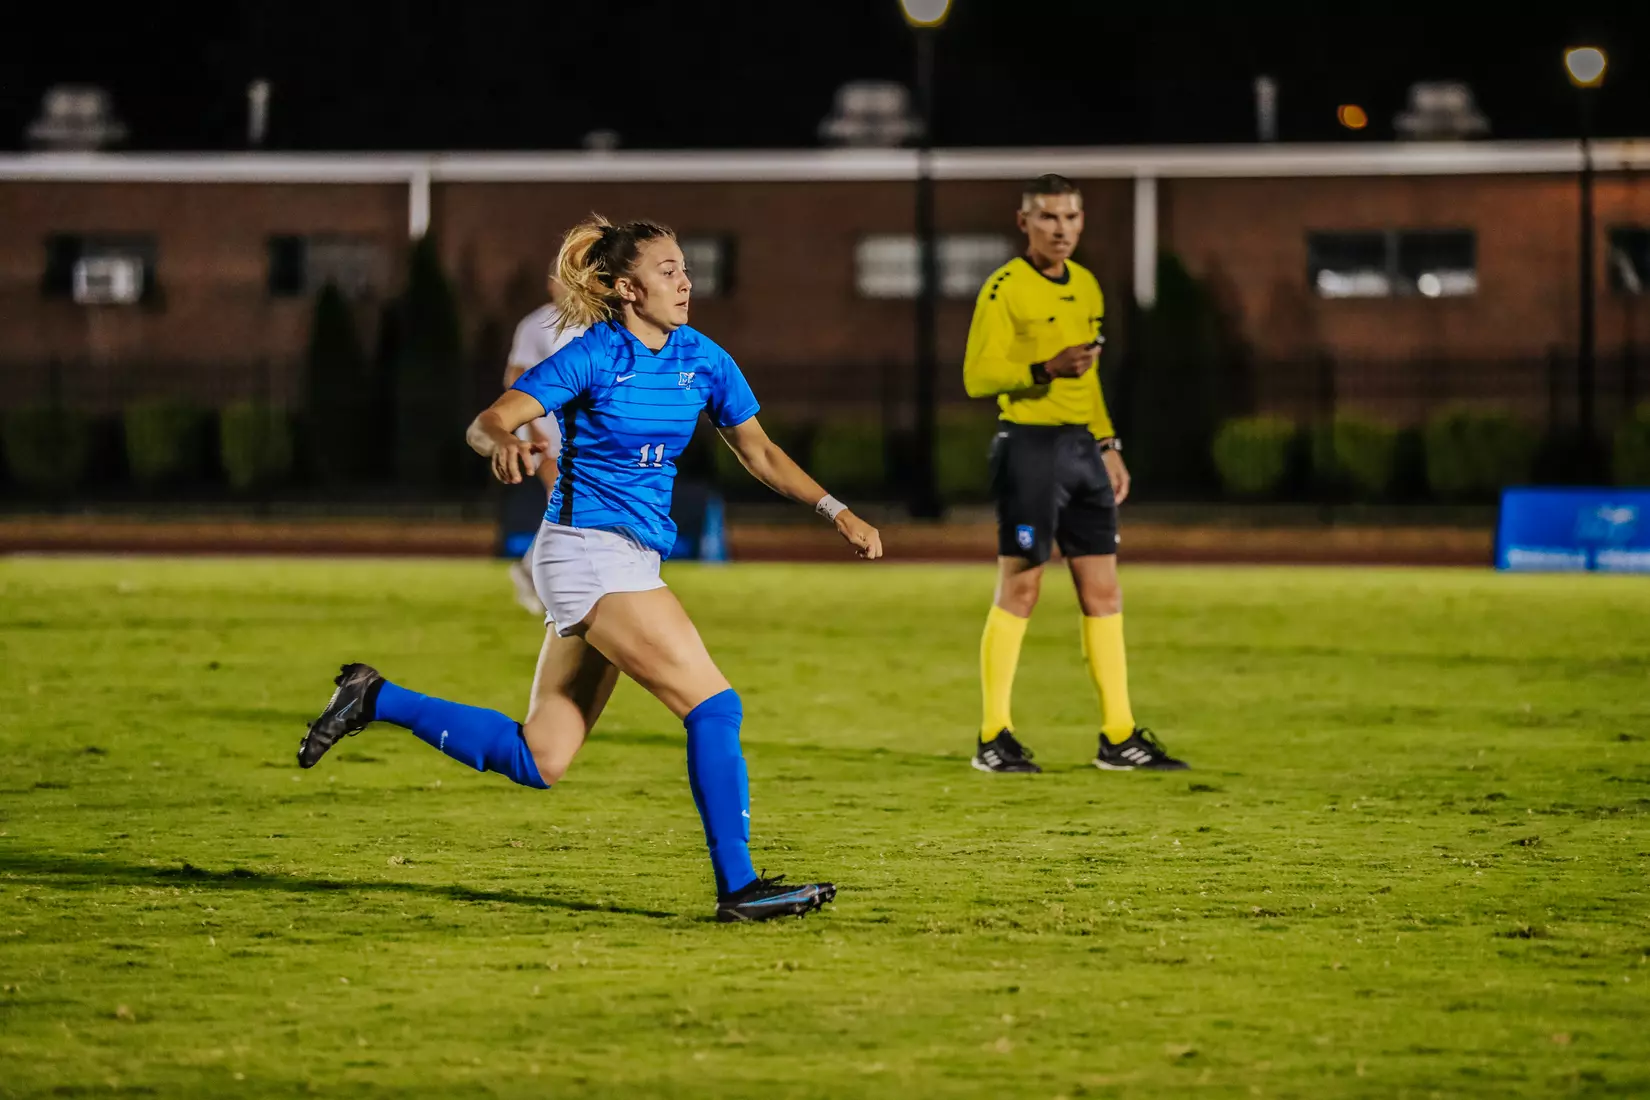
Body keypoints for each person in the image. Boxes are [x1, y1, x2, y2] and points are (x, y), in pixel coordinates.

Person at [298, 214, 884, 922]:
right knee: (715, 706)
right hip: (586, 552)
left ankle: (373, 697)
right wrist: (502, 442)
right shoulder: (593, 355)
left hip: (625, 556)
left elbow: (758, 452)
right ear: (627, 288)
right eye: (668, 271)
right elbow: (487, 420)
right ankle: (739, 886)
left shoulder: (703, 358)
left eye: (685, 269)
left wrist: (836, 510)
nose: (685, 282)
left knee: (539, 757)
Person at [961, 173, 1188, 774]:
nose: (1061, 230)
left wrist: (1109, 443)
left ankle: (1118, 736)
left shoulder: (1086, 286)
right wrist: (1042, 368)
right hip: (1029, 451)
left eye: (1071, 218)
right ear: (1024, 222)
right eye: (1048, 218)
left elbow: (1086, 379)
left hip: (1082, 450)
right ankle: (993, 737)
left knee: (1104, 591)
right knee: (1023, 586)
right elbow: (977, 377)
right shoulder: (1004, 288)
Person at [503, 272, 587, 616]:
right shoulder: (536, 324)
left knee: (573, 505)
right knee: (566, 500)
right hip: (546, 428)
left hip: (579, 430)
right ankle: (542, 574)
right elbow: (515, 376)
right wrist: (531, 427)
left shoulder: (590, 323)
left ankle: (533, 569)